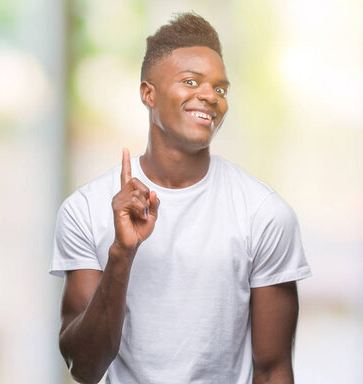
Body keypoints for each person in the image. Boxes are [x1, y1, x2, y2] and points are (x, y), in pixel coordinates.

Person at [48, 12, 312, 384]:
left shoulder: (264, 213)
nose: (210, 96)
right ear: (148, 93)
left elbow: (273, 370)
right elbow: (84, 367)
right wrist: (122, 254)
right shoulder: (85, 209)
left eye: (220, 89)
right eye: (191, 81)